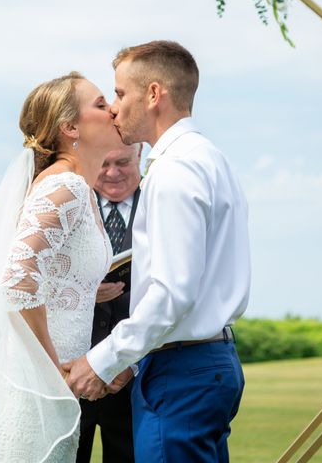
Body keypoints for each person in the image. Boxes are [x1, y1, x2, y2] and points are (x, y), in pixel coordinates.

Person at [64, 41, 251, 462]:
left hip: (182, 373)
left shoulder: (174, 170)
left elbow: (172, 293)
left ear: (153, 95)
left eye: (120, 93)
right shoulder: (210, 158)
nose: (113, 107)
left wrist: (103, 360)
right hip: (201, 362)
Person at [0, 71, 124, 462]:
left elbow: (48, 276)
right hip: (32, 386)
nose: (114, 109)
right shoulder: (64, 186)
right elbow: (17, 283)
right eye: (100, 104)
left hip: (50, 384)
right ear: (70, 127)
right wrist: (55, 371)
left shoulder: (78, 186)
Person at [77, 143, 142, 463]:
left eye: (123, 162)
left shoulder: (161, 204)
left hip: (136, 380)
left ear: (140, 155)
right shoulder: (71, 205)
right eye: (104, 163)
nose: (113, 173)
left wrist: (129, 365)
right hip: (73, 373)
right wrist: (83, 291)